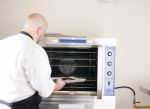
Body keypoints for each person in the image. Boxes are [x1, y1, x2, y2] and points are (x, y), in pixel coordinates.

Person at [0, 13, 65, 109]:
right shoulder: (35, 50)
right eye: (44, 32)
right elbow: (43, 88)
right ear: (39, 30)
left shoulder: (3, 43)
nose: (42, 36)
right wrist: (57, 85)